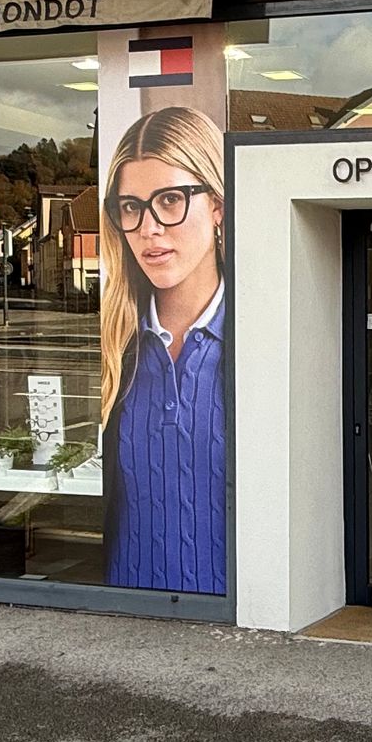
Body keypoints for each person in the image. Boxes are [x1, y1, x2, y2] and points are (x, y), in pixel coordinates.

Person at [98, 106, 226, 595]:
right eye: (130, 206)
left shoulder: (261, 337)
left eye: (170, 199)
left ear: (217, 206)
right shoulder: (114, 348)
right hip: (124, 624)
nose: (149, 227)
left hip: (244, 631)